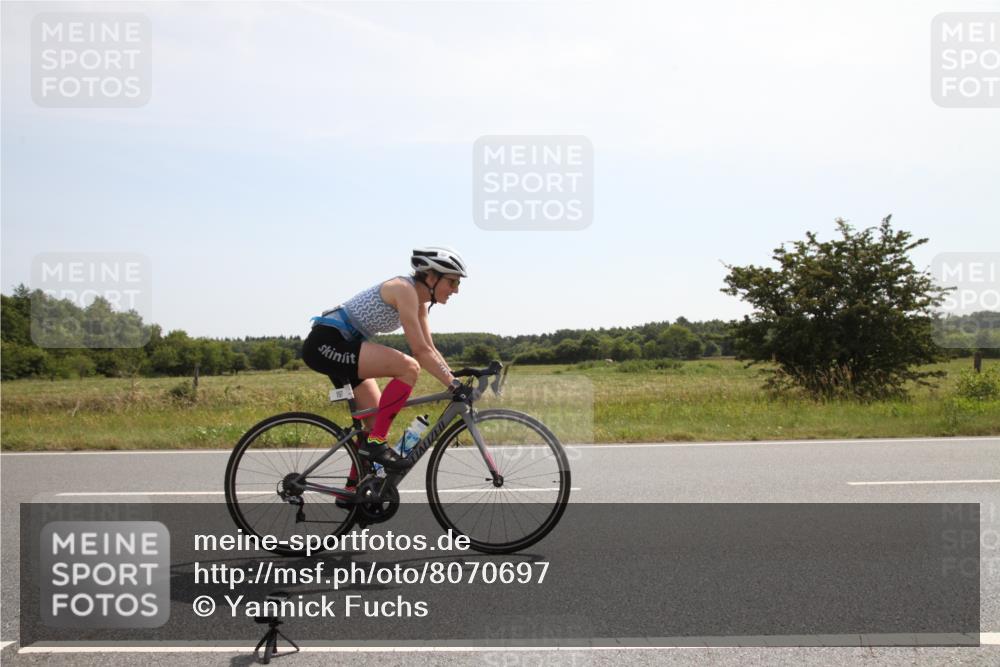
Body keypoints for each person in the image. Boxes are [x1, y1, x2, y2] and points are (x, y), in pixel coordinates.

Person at [301, 246, 472, 471]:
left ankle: (355, 493)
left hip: (343, 346)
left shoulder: (419, 302)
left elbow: (430, 348)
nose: (455, 290)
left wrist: (454, 380)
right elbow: (419, 352)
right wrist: (453, 385)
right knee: (409, 368)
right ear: (431, 276)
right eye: (453, 282)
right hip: (326, 343)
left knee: (375, 423)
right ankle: (376, 445)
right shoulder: (404, 290)